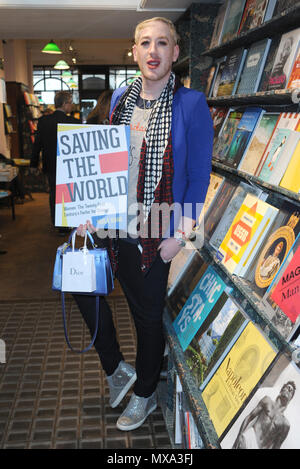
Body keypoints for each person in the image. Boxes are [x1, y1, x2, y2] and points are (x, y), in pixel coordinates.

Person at [74, 17, 213, 431]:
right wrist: (86, 209)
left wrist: (180, 234)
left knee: (146, 317)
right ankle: (117, 368)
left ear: (174, 51)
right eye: (145, 43)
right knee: (81, 283)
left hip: (157, 227)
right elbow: (106, 162)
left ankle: (146, 392)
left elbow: (198, 175)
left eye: (162, 43)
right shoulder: (120, 98)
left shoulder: (191, 104)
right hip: (112, 218)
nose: (153, 51)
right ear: (133, 52)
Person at [30, 91, 80, 233]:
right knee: (70, 194)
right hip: (70, 166)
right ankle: (68, 222)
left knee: (54, 194)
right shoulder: (74, 122)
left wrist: (33, 164)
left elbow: (37, 145)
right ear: (64, 104)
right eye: (70, 102)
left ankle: (58, 224)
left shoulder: (43, 121)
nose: (72, 105)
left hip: (51, 164)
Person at [232, 381, 296, 449]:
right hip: (250, 437)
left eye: (291, 391)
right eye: (288, 387)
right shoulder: (267, 401)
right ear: (281, 390)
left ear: (291, 398)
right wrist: (239, 436)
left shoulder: (285, 424)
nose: (289, 390)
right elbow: (249, 417)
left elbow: (276, 446)